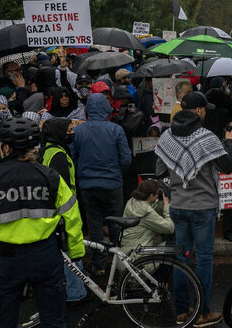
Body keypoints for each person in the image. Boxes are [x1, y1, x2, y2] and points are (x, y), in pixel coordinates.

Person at [0, 117, 84, 327]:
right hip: (45, 256)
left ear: (6, 147)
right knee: (53, 320)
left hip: (6, 260)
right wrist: (76, 251)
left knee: (3, 322)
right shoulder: (50, 175)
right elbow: (72, 213)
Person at [155, 91, 232, 326]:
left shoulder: (167, 136)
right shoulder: (207, 137)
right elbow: (228, 167)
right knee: (203, 259)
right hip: (203, 208)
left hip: (179, 206)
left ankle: (182, 311)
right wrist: (230, 141)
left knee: (181, 258)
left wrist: (174, 191)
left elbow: (160, 171)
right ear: (199, 111)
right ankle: (202, 313)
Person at [71, 93, 132, 276]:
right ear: (106, 108)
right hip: (112, 184)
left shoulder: (79, 131)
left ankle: (99, 265)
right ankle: (118, 261)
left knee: (94, 224)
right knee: (115, 223)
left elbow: (72, 158)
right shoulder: (116, 130)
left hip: (88, 185)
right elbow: (126, 159)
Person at [40, 117, 87, 304]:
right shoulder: (58, 155)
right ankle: (77, 293)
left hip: (53, 211)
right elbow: (63, 187)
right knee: (70, 251)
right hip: (66, 212)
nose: (71, 133)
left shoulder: (47, 151)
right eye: (68, 130)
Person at [121, 179, 174, 255]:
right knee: (175, 246)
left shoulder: (131, 201)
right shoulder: (146, 211)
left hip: (125, 255)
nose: (158, 195)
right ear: (151, 196)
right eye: (157, 193)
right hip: (139, 258)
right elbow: (170, 228)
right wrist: (166, 205)